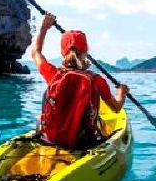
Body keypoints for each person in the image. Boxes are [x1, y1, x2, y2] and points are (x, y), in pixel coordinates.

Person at [30, 12, 129, 149]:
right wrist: (121, 94)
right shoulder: (97, 80)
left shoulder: (53, 74)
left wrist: (44, 28)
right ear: (86, 52)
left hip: (51, 141)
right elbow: (116, 108)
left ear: (62, 53)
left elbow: (35, 52)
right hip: (83, 143)